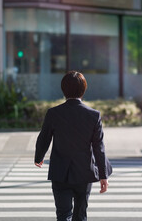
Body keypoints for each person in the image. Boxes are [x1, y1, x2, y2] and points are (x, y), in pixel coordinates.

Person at [34, 70, 112, 221]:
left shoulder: (53, 113)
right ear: (84, 89)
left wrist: (39, 157)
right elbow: (99, 147)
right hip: (84, 173)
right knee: (80, 215)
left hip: (60, 172)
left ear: (63, 89)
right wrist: (103, 175)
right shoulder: (93, 115)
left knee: (63, 215)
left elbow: (44, 138)